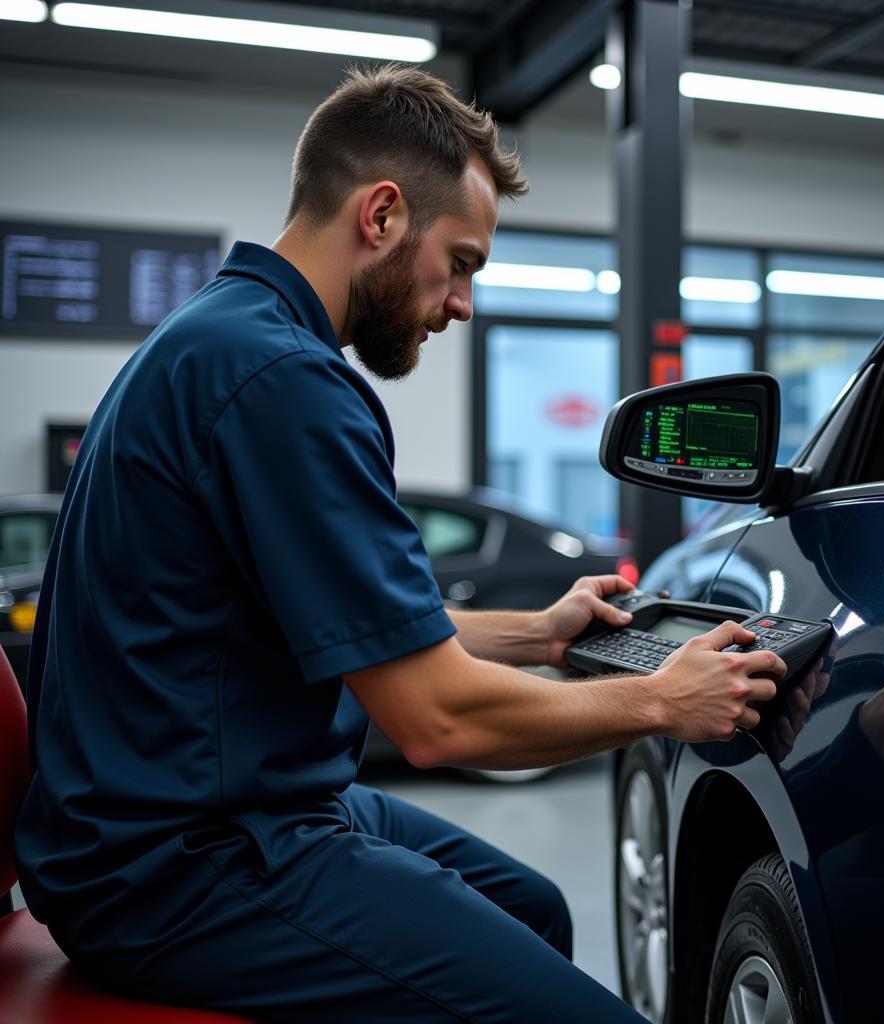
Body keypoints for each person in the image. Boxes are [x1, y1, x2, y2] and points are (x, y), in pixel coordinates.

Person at [14, 64, 783, 1023]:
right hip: (182, 863)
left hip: (198, 815)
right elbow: (436, 723)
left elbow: (372, 628)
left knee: (533, 907)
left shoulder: (215, 338)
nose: (461, 304)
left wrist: (542, 634)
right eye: (459, 263)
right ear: (380, 215)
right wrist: (663, 701)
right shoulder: (285, 384)